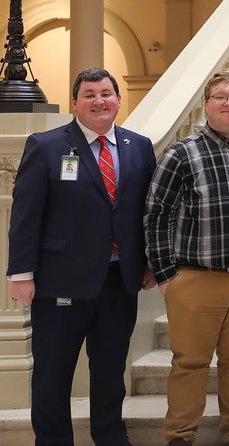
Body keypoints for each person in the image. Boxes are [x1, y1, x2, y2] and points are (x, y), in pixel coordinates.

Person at [7, 68, 157, 446]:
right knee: (53, 374)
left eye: (106, 93)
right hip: (60, 282)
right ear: (75, 102)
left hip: (119, 282)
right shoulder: (46, 146)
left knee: (109, 373)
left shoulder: (139, 146)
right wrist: (21, 273)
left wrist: (151, 261)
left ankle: (110, 436)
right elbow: (26, 215)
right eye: (89, 94)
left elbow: (148, 212)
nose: (99, 101)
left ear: (119, 100)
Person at [145, 70, 229, 446]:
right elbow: (156, 213)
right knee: (190, 363)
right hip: (196, 278)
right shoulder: (182, 153)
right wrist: (167, 274)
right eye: (221, 96)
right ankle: (180, 435)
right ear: (207, 104)